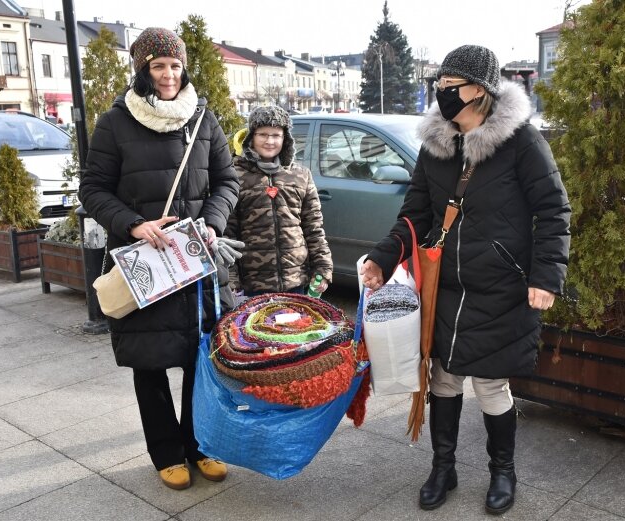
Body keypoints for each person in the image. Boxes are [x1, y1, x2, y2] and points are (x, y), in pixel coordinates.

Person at [360, 45, 570, 514]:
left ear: (480, 90)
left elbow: (554, 211)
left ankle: (503, 471)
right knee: (444, 379)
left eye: (451, 86)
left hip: (502, 288)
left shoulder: (523, 143)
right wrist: (381, 257)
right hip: (444, 288)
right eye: (439, 85)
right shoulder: (435, 145)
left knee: (492, 385)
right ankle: (443, 466)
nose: (442, 93)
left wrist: (546, 276)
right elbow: (414, 214)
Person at [79, 27, 239, 491]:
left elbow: (226, 181)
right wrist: (132, 223)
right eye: (158, 66)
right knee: (149, 363)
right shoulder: (115, 122)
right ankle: (166, 453)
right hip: (142, 262)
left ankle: (199, 445)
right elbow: (92, 189)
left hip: (195, 261)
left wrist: (212, 220)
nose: (168, 75)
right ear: (142, 70)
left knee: (199, 359)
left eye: (174, 65)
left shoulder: (203, 118)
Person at [225, 105, 333, 296]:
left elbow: (313, 227)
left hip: (296, 281)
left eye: (276, 135)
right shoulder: (235, 175)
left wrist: (323, 268)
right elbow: (228, 233)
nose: (270, 141)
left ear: (285, 139)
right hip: (252, 286)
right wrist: (231, 280)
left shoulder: (301, 175)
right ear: (251, 137)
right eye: (263, 135)